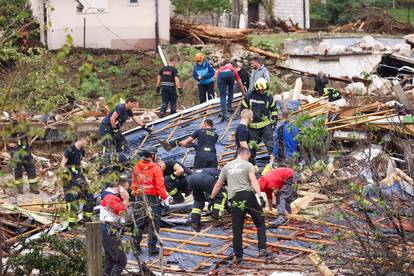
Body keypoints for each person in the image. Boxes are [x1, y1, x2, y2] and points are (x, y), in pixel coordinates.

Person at [210, 148, 270, 263]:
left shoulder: (226, 167)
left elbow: (218, 184)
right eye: (248, 156)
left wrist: (212, 198)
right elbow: (253, 181)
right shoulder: (248, 165)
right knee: (260, 222)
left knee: (237, 229)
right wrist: (260, 196)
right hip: (248, 196)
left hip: (235, 199)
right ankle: (262, 249)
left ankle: (239, 256)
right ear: (245, 154)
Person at [131, 146, 169, 256]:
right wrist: (164, 197)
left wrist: (135, 192)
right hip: (152, 199)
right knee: (153, 224)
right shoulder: (156, 168)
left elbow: (134, 182)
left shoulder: (136, 166)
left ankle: (136, 248)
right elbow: (160, 185)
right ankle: (152, 249)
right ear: (152, 155)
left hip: (139, 198)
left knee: (138, 224)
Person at [60, 134, 95, 230]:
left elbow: (79, 162)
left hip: (79, 176)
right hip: (70, 178)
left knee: (90, 196)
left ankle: (87, 218)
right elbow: (62, 165)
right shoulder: (70, 150)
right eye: (87, 141)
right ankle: (71, 226)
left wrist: (82, 166)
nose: (87, 144)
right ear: (82, 139)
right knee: (74, 201)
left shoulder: (82, 151)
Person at [241, 77, 277, 164]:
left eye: (264, 89)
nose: (263, 91)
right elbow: (243, 110)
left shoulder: (268, 97)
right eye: (261, 90)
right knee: (252, 146)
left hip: (265, 125)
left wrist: (274, 119)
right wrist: (245, 122)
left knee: (270, 144)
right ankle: (251, 164)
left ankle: (273, 162)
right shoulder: (249, 97)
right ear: (257, 88)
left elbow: (273, 109)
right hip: (252, 127)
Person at [100, 177, 129, 276]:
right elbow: (122, 212)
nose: (127, 192)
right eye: (126, 189)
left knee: (110, 262)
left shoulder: (109, 196)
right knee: (121, 261)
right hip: (109, 231)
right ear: (120, 188)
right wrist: (125, 199)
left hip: (107, 230)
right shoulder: (110, 198)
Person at [187, 167, 227, 232]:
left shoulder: (211, 170)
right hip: (204, 179)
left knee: (198, 200)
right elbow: (218, 186)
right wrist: (212, 199)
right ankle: (216, 219)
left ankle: (195, 221)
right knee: (222, 195)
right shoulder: (222, 174)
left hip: (192, 179)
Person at [8, 113, 39, 194]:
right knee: (18, 169)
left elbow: (30, 135)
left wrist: (29, 143)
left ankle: (33, 188)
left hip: (26, 150)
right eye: (20, 116)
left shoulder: (26, 125)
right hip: (17, 150)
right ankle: (19, 188)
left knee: (31, 168)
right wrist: (9, 143)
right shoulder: (13, 125)